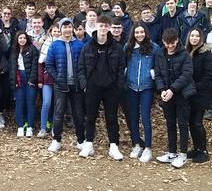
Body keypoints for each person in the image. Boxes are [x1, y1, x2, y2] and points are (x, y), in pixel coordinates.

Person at [77, 16, 126, 160]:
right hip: (92, 87)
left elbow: (121, 68)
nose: (103, 28)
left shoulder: (117, 47)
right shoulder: (88, 46)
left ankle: (113, 146)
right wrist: (84, 84)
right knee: (90, 117)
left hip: (111, 88)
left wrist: (118, 86)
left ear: (109, 27)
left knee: (111, 117)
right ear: (96, 27)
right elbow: (81, 67)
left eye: (106, 26)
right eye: (101, 26)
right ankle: (89, 144)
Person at [154, 28, 196, 168]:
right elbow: (158, 73)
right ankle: (172, 152)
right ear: (163, 42)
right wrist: (162, 90)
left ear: (177, 40)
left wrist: (172, 89)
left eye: (172, 43)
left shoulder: (185, 55)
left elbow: (187, 74)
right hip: (167, 94)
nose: (170, 46)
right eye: (167, 43)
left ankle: (183, 154)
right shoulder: (160, 54)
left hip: (182, 94)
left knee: (182, 124)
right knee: (170, 124)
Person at [45, 18, 86, 153]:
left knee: (78, 114)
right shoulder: (54, 45)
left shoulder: (79, 45)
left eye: (69, 27)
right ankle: (56, 140)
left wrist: (81, 81)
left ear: (72, 29)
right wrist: (57, 79)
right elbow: (49, 65)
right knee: (58, 113)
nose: (67, 30)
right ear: (61, 29)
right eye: (64, 27)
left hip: (76, 86)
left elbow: (83, 65)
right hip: (60, 85)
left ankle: (81, 140)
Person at [125, 22, 159, 163]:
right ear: (133, 33)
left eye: (141, 32)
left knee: (145, 117)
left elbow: (159, 64)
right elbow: (123, 63)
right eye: (137, 32)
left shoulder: (153, 47)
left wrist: (153, 73)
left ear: (146, 32)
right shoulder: (128, 47)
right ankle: (137, 144)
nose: (139, 35)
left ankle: (148, 148)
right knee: (133, 117)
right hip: (131, 86)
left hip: (147, 87)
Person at [185, 28, 212, 163]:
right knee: (191, 122)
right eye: (192, 36)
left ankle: (203, 151)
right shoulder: (186, 52)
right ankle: (196, 148)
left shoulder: (206, 54)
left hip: (201, 94)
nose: (194, 38)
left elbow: (209, 76)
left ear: (201, 38)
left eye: (197, 36)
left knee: (197, 122)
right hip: (188, 94)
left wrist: (196, 87)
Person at [9, 32, 39, 137]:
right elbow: (12, 68)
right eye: (20, 38)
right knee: (19, 103)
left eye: (24, 38)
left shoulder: (32, 49)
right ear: (17, 39)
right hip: (18, 79)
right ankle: (20, 127)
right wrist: (14, 82)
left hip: (29, 78)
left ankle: (30, 127)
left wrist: (32, 79)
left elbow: (35, 66)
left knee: (30, 103)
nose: (22, 40)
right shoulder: (13, 51)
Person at [37, 24, 61, 137]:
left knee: (57, 105)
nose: (56, 33)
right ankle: (42, 128)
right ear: (50, 32)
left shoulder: (62, 44)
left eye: (58, 31)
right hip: (47, 79)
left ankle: (55, 129)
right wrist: (40, 80)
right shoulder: (46, 44)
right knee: (46, 103)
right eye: (54, 31)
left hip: (59, 79)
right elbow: (41, 64)